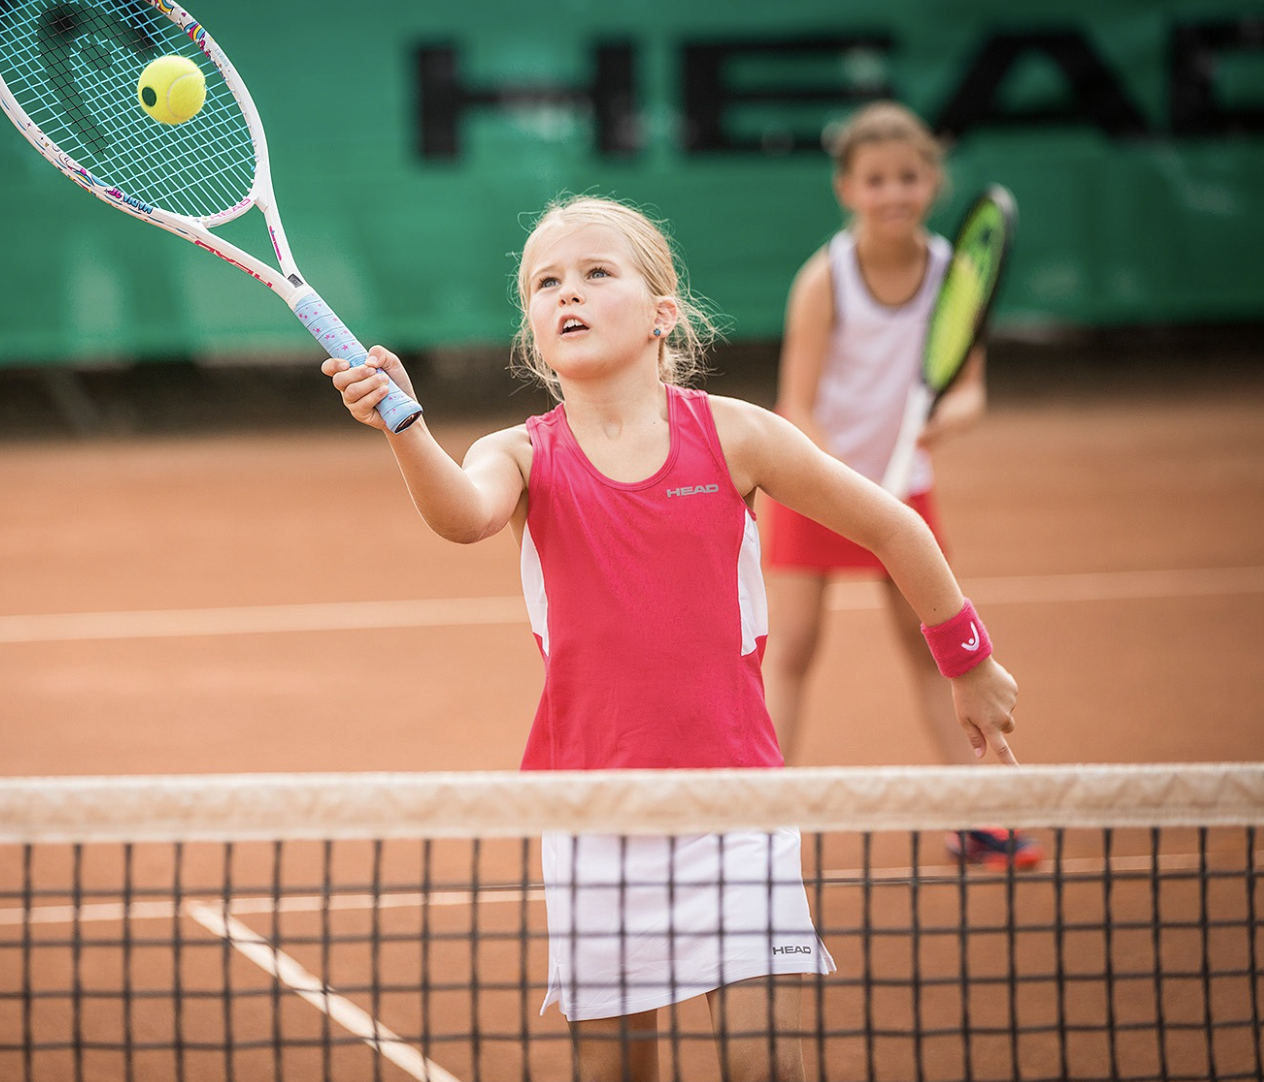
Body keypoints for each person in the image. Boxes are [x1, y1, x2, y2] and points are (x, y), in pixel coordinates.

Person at [321, 194, 1020, 1082]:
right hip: (590, 816)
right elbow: (463, 516)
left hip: (736, 807)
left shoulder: (736, 435)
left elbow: (897, 529)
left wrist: (970, 662)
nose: (566, 292)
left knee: (768, 1066)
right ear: (532, 328)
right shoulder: (521, 453)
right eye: (545, 283)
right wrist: (406, 427)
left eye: (595, 273)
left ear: (662, 314)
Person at [761, 101, 1040, 871]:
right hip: (816, 483)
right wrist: (843, 483)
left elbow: (971, 391)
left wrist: (939, 423)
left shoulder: (958, 274)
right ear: (847, 188)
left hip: (905, 497)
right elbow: (795, 406)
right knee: (793, 649)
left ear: (933, 181)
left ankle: (981, 818)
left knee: (936, 658)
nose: (894, 193)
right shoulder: (825, 279)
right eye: (876, 179)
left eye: (910, 177)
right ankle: (755, 820)